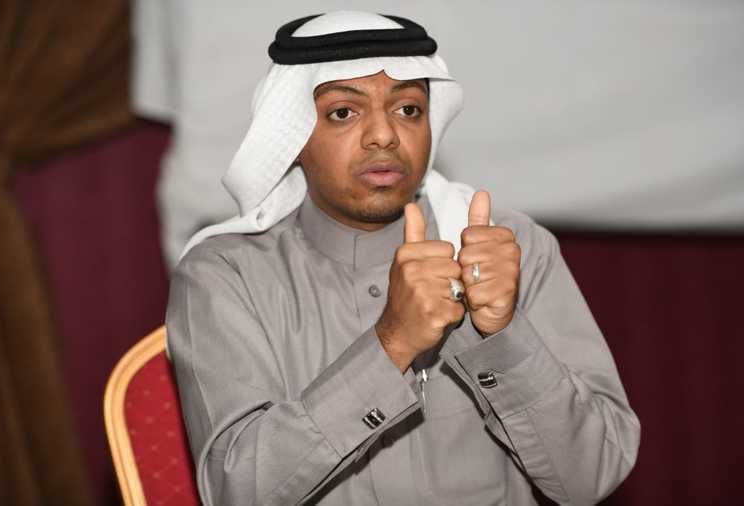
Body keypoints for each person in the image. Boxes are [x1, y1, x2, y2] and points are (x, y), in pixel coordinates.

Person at [166, 11, 640, 506]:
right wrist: (391, 343)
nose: (384, 135)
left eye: (408, 109)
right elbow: (236, 492)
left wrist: (501, 335)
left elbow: (592, 477)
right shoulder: (226, 274)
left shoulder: (508, 248)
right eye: (343, 113)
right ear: (293, 137)